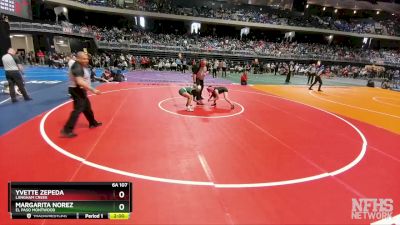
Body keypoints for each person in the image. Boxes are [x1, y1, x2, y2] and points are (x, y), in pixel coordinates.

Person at [61, 52, 102, 138]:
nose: (86, 60)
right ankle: (67, 130)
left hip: (80, 90)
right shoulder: (77, 67)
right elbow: (80, 81)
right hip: (77, 90)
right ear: (78, 59)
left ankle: (92, 123)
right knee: (78, 109)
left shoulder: (77, 64)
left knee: (87, 108)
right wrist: (93, 89)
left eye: (87, 58)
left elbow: (70, 61)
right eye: (84, 59)